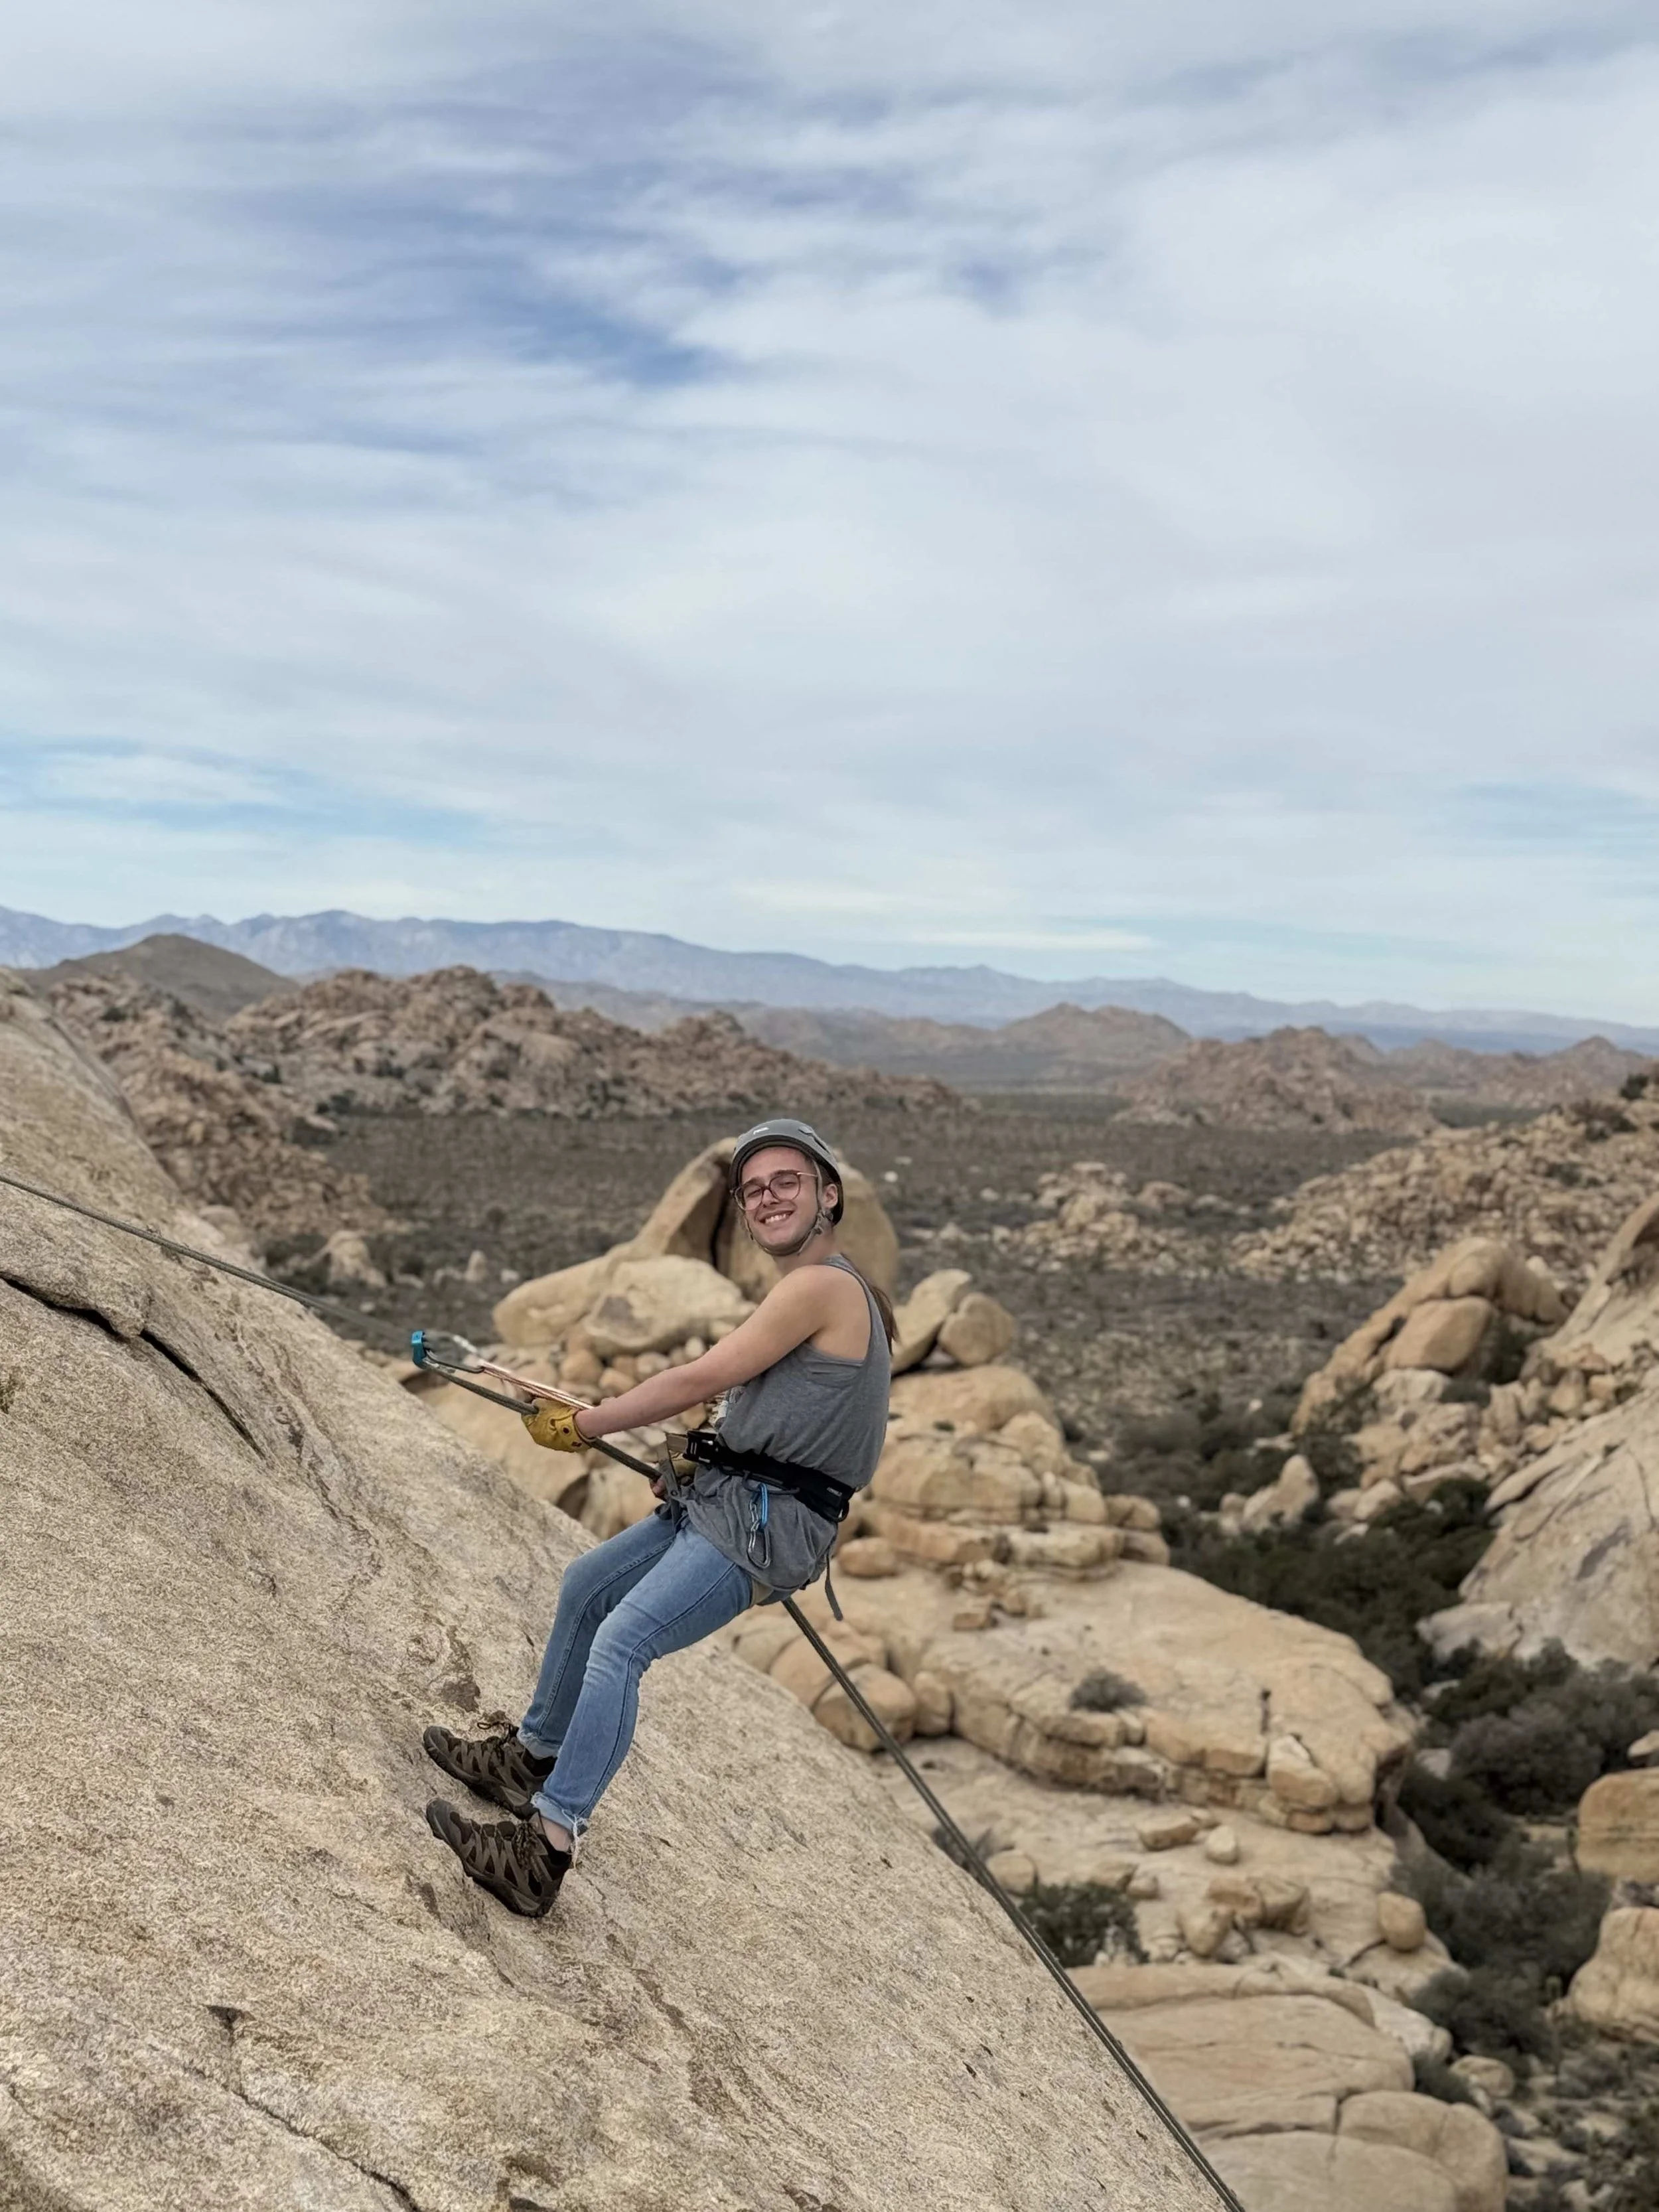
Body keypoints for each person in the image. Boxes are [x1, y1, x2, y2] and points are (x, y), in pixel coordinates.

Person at [422, 1118, 895, 1916]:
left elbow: (702, 1373)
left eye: (787, 1181)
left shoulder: (823, 1287)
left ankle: (547, 1845)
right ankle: (531, 1756)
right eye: (753, 1191)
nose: (767, 1198)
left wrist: (586, 1423)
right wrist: (707, 1456)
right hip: (730, 1501)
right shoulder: (819, 1290)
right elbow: (770, 1412)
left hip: (758, 1527)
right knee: (586, 1586)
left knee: (622, 1641)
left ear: (829, 1194)